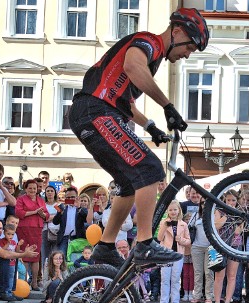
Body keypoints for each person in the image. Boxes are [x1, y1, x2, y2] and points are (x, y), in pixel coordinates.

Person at [68, 8, 208, 269]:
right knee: (150, 168)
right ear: (176, 32)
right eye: (190, 46)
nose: (188, 54)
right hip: (96, 111)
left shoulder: (151, 61)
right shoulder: (149, 42)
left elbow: (125, 102)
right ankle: (144, 243)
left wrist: (150, 125)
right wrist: (167, 106)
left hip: (97, 113)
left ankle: (106, 246)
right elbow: (132, 66)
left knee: (130, 184)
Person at [0, 220, 38, 301]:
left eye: (0, 228)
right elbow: (4, 254)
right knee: (5, 258)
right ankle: (1, 292)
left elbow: (12, 252)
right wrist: (24, 254)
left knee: (12, 258)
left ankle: (8, 291)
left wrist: (24, 251)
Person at [15, 179, 49, 291]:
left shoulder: (40, 200)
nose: (33, 190)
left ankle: (34, 283)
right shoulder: (21, 199)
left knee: (36, 256)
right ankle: (23, 283)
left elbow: (47, 215)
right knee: (25, 255)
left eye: (34, 188)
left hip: (37, 229)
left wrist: (42, 214)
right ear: (25, 189)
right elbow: (19, 213)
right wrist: (35, 212)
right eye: (30, 188)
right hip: (25, 229)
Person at [157, 200, 190, 303]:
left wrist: (181, 240)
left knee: (175, 279)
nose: (173, 212)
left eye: (175, 209)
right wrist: (164, 227)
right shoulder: (164, 222)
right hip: (166, 254)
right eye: (170, 210)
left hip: (178, 254)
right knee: (165, 279)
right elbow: (160, 238)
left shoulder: (183, 224)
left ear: (179, 210)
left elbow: (188, 241)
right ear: (167, 211)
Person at [210, 190, 241, 303]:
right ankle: (217, 302)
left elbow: (238, 231)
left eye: (233, 200)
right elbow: (217, 225)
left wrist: (237, 218)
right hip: (220, 245)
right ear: (225, 200)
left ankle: (228, 302)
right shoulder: (219, 210)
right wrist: (228, 214)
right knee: (219, 275)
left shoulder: (240, 213)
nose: (231, 202)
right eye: (229, 200)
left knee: (232, 276)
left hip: (234, 246)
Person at [52, 187, 89, 257]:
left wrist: (78, 207)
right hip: (64, 238)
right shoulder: (62, 207)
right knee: (61, 257)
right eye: (68, 197)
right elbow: (55, 222)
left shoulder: (81, 208)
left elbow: (86, 218)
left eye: (72, 197)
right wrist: (60, 213)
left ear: (77, 197)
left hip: (78, 238)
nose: (70, 199)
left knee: (76, 258)